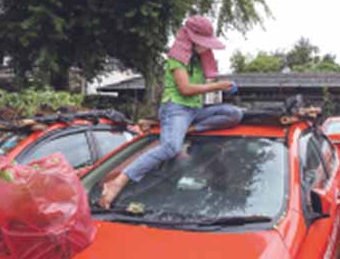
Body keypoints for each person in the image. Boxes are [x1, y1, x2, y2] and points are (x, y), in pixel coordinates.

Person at [98, 15, 243, 209]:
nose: (206, 47)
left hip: (194, 111)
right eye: (203, 42)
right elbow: (185, 89)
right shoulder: (177, 59)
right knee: (171, 148)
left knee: (234, 114)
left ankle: (187, 129)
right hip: (176, 108)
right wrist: (218, 86)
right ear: (191, 39)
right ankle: (118, 181)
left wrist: (223, 86)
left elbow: (201, 89)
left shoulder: (199, 60)